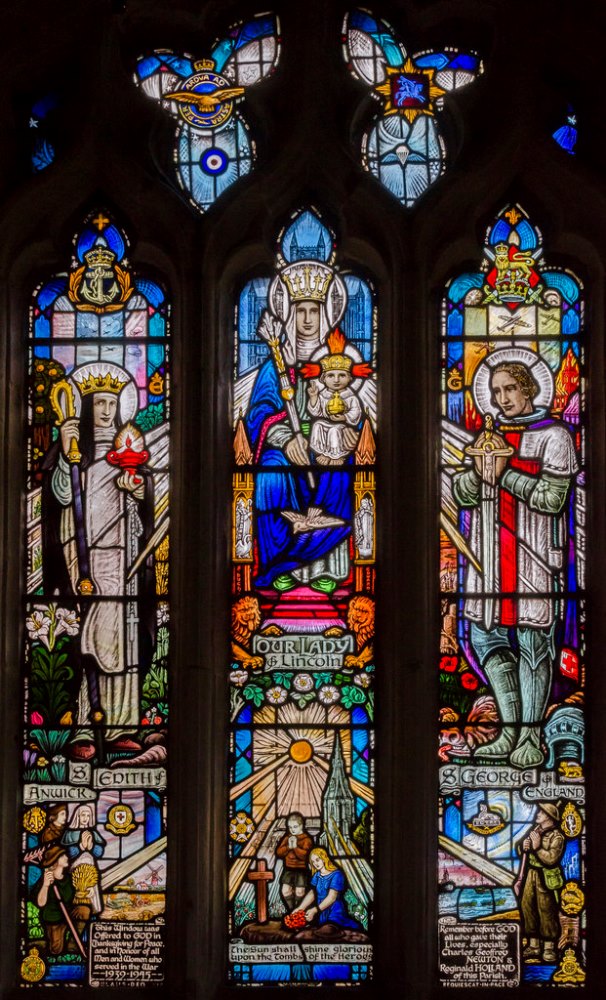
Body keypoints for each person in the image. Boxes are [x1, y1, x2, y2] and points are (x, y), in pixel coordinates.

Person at [454, 354, 578, 767]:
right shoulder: (488, 433)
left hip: (533, 558)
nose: (501, 398)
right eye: (495, 392)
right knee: (484, 638)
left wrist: (503, 472)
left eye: (509, 389)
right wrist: (478, 472)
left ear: (529, 389)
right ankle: (509, 734)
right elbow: (464, 494)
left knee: (533, 646)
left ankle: (531, 738)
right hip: (487, 556)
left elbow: (552, 498)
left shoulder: (554, 436)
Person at [42, 363, 154, 759]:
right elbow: (59, 499)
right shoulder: (79, 461)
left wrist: (137, 488)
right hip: (88, 558)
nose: (106, 411)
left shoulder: (130, 458)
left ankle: (122, 727)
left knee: (123, 638)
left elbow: (146, 506)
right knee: (97, 633)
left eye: (112, 403)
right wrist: (63, 456)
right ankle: (86, 726)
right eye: (100, 403)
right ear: (88, 408)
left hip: (124, 561)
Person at [245, 264, 357, 594]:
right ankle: (277, 563)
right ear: (290, 314)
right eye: (301, 310)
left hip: (330, 445)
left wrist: (346, 433)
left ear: (326, 315)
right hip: (284, 449)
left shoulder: (336, 364)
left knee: (339, 470)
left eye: (314, 310)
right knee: (268, 473)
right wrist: (283, 439)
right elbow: (259, 413)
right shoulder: (275, 364)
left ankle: (326, 568)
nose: (307, 319)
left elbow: (354, 410)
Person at [514, 803, 564, 964]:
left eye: (542, 812)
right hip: (531, 874)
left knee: (546, 910)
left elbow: (551, 859)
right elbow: (522, 851)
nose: (538, 813)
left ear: (549, 816)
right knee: (527, 906)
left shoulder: (557, 837)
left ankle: (549, 948)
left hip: (546, 877)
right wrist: (524, 847)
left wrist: (536, 848)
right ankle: (534, 946)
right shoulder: (535, 831)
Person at [307, 353, 362, 465]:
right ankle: (323, 453)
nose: (336, 380)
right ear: (324, 379)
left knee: (334, 430)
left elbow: (356, 412)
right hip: (326, 423)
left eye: (342, 375)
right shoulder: (323, 395)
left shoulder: (350, 396)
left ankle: (337, 456)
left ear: (349, 379)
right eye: (331, 375)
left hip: (342, 426)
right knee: (317, 425)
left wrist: (344, 417)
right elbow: (316, 412)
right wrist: (314, 397)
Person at [296, 847, 362, 930]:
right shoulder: (317, 875)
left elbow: (332, 897)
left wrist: (315, 910)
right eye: (313, 862)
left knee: (330, 929)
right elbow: (313, 893)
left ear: (324, 858)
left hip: (335, 910)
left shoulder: (337, 875)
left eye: (317, 860)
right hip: (322, 910)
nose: (315, 863)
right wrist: (300, 908)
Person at [34, 847, 79, 955]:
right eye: (63, 856)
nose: (66, 858)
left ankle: (73, 946)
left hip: (68, 917)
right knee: (56, 949)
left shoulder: (69, 879)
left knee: (84, 912)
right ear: (55, 861)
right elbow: (40, 903)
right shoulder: (46, 880)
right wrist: (45, 885)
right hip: (53, 919)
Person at [276, 812, 314, 911]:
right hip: (288, 869)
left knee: (300, 892)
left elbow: (305, 856)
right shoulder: (287, 838)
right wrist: (288, 846)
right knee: (285, 891)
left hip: (302, 870)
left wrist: (295, 847)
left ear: (301, 826)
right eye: (290, 827)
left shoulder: (307, 840)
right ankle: (292, 910)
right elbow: (279, 852)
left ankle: (298, 913)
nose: (292, 829)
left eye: (295, 826)